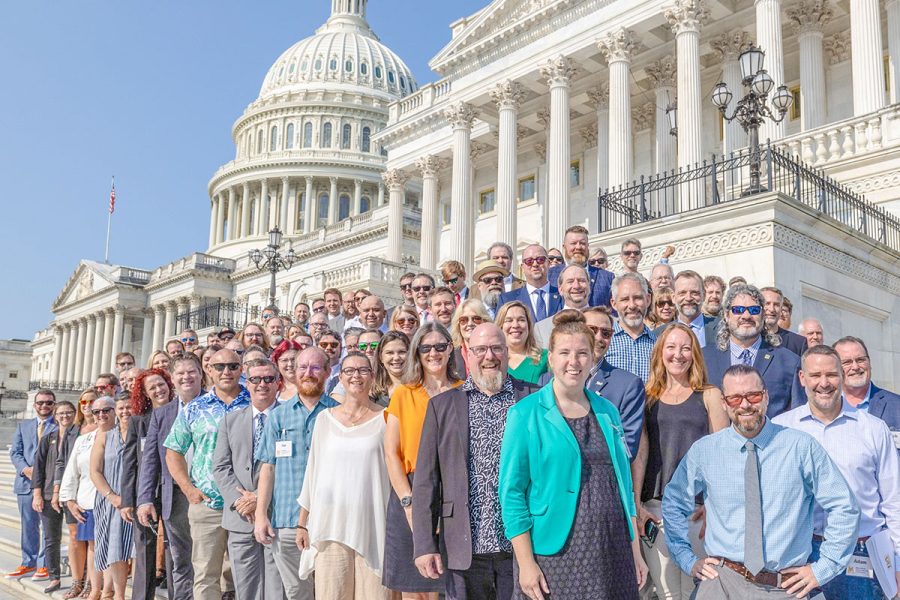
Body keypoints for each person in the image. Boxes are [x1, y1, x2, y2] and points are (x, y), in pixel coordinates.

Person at [662, 364, 859, 599]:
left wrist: (823, 568)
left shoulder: (800, 447)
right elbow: (674, 503)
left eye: (753, 396)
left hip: (785, 587)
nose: (745, 405)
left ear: (765, 397)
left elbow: (844, 507)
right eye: (735, 399)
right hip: (721, 583)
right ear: (724, 404)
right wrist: (686, 559)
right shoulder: (705, 451)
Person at [500, 311, 647, 599]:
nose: (573, 361)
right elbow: (512, 493)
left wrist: (635, 551)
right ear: (551, 358)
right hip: (556, 554)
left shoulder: (608, 411)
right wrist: (526, 563)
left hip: (612, 549)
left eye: (582, 353)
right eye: (565, 352)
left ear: (592, 359)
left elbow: (624, 487)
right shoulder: (525, 413)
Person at [413, 323, 539, 599]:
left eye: (496, 348)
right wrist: (424, 544)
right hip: (463, 546)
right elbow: (426, 481)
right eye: (480, 349)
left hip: (522, 545)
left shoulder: (533, 398)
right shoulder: (442, 406)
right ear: (466, 354)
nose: (489, 356)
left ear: (507, 352)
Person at [774, 345, 900, 599]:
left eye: (831, 375)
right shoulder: (780, 429)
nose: (824, 383)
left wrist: (897, 562)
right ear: (802, 379)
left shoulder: (873, 429)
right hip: (801, 552)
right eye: (815, 375)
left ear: (841, 376)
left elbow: (893, 502)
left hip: (860, 554)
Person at [632, 324, 729, 600]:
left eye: (686, 348)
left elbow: (723, 454)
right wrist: (636, 504)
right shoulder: (648, 397)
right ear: (660, 353)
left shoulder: (710, 395)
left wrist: (715, 503)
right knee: (666, 592)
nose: (678, 354)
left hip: (697, 509)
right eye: (671, 347)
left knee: (697, 590)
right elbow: (641, 453)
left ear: (695, 354)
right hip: (657, 509)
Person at [296, 352, 390, 598]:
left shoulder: (387, 420)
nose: (356, 376)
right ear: (340, 377)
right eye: (349, 370)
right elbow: (312, 474)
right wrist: (302, 523)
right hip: (331, 527)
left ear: (372, 376)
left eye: (362, 370)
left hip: (373, 527)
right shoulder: (324, 420)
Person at [164, 349, 250, 600]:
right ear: (208, 371)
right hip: (208, 504)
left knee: (243, 575)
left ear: (241, 369)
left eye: (233, 366)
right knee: (205, 575)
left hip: (246, 505)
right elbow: (173, 451)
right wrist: (189, 489)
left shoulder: (254, 401)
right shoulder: (194, 408)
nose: (226, 371)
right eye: (219, 366)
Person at [384, 324, 462, 598]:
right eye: (426, 347)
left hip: (453, 491)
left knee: (448, 585)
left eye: (440, 346)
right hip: (412, 488)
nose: (433, 353)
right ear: (416, 352)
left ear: (450, 348)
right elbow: (391, 453)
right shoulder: (405, 393)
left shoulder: (464, 391)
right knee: (414, 589)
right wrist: (408, 502)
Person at [254, 347, 336, 600]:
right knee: (296, 592)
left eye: (315, 367)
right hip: (286, 520)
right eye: (303, 367)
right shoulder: (278, 416)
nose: (308, 373)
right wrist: (260, 515)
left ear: (327, 372)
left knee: (330, 590)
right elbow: (268, 467)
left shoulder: (337, 414)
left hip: (330, 521)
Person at [213, 359, 283, 600]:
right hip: (240, 516)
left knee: (277, 588)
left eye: (268, 379)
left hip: (277, 514)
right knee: (246, 587)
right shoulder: (230, 420)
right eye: (255, 379)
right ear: (247, 383)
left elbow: (296, 468)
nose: (262, 384)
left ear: (278, 383)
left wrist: (260, 499)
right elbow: (220, 467)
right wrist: (240, 501)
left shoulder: (288, 418)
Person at [137, 354, 202, 600]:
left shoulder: (215, 404)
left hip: (208, 495)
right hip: (174, 496)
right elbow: (150, 459)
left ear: (200, 374)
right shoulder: (162, 414)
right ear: (172, 379)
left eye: (192, 372)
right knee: (180, 559)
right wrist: (144, 499)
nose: (186, 377)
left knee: (209, 559)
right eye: (180, 373)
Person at [702, 284, 804, 416]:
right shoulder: (704, 359)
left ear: (762, 316)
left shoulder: (789, 362)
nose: (746, 316)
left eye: (754, 310)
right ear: (727, 315)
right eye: (738, 310)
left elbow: (797, 414)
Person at [120, 368, 174, 600]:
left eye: (161, 384)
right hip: (145, 493)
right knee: (144, 549)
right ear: (144, 393)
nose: (158, 390)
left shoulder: (180, 412)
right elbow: (129, 462)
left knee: (174, 549)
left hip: (174, 489)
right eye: (152, 388)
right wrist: (127, 501)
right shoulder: (138, 421)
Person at [61, 396, 114, 600]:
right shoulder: (83, 440)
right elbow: (71, 471)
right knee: (92, 545)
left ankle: (107, 591)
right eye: (96, 412)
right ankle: (93, 588)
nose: (101, 415)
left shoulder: (122, 435)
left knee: (110, 546)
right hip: (87, 500)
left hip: (112, 500)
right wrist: (70, 500)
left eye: (106, 410)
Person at [584, 306, 646, 460]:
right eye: (592, 330)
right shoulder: (551, 376)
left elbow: (627, 449)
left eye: (606, 333)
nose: (599, 338)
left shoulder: (628, 385)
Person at [7, 390, 57, 580]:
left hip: (48, 485)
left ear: (54, 404)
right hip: (25, 483)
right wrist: (25, 469)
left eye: (49, 403)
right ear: (35, 404)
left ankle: (43, 565)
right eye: (40, 403)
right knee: (28, 525)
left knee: (47, 525)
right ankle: (28, 562)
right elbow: (15, 453)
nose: (44, 406)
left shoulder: (60, 425)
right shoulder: (24, 425)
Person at [89, 394, 134, 600]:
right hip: (111, 501)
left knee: (133, 548)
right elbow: (95, 471)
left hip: (135, 500)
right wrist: (112, 497)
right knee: (115, 549)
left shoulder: (140, 431)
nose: (125, 412)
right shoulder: (106, 435)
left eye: (129, 407)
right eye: (121, 408)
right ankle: (119, 595)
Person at [31, 400, 77, 594]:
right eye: (61, 413)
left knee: (76, 537)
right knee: (51, 538)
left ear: (75, 414)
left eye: (68, 413)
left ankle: (79, 578)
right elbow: (38, 468)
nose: (65, 416)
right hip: (49, 494)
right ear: (55, 416)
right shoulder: (48, 437)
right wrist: (37, 494)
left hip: (73, 494)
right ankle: (54, 577)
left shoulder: (79, 435)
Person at [833, 336, 900, 436]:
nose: (855, 367)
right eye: (847, 362)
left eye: (860, 360)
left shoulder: (896, 405)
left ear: (869, 363)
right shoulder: (828, 406)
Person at [547, 225, 614, 308]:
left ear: (587, 246)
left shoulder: (607, 277)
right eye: (573, 243)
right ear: (564, 247)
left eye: (582, 243)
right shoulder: (549, 275)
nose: (578, 247)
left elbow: (614, 310)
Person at [607, 272, 656, 383]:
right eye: (625, 299)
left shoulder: (658, 344)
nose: (632, 305)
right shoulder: (605, 343)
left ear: (648, 300)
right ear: (614, 304)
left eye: (638, 298)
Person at [498, 244, 562, 322]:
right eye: (529, 261)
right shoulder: (506, 299)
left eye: (540, 260)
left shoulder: (562, 295)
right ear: (522, 267)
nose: (535, 264)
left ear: (548, 263)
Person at [654, 271, 719, 348]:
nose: (688, 298)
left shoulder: (722, 327)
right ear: (673, 298)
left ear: (704, 296)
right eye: (682, 293)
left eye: (694, 293)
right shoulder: (658, 335)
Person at [533, 264, 591, 346]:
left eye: (581, 280)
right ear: (560, 290)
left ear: (589, 286)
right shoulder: (542, 329)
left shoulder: (610, 324)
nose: (576, 286)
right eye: (570, 281)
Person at [497, 301, 548, 385]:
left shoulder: (545, 357)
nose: (515, 325)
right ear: (501, 326)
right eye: (509, 320)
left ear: (528, 326)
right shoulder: (494, 360)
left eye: (521, 320)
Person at [760, 287, 808, 356]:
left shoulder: (798, 343)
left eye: (776, 305)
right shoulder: (749, 339)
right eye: (767, 304)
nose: (772, 309)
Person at [450, 299, 491, 377]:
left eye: (476, 319)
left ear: (485, 321)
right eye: (463, 320)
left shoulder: (494, 351)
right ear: (458, 325)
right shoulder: (450, 354)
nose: (470, 324)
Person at [372, 331, 410, 406]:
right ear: (380, 357)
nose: (396, 358)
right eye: (390, 353)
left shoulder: (421, 387)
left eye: (402, 352)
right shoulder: (373, 392)